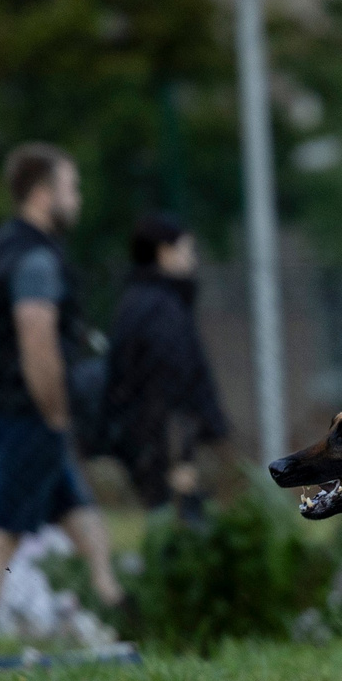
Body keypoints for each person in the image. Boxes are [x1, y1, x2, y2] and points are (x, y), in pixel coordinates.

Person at [0, 142, 126, 647]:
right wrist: (54, 415)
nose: (78, 198)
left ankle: (118, 609)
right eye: (71, 188)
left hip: (11, 408)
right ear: (42, 193)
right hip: (26, 414)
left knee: (81, 516)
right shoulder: (33, 258)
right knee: (1, 532)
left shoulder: (5, 246)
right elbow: (36, 337)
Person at [106, 213, 232, 524]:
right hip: (166, 444)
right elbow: (170, 385)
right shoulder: (163, 309)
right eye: (187, 250)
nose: (193, 259)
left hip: (147, 439)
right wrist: (180, 457)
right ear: (164, 252)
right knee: (180, 527)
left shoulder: (136, 302)